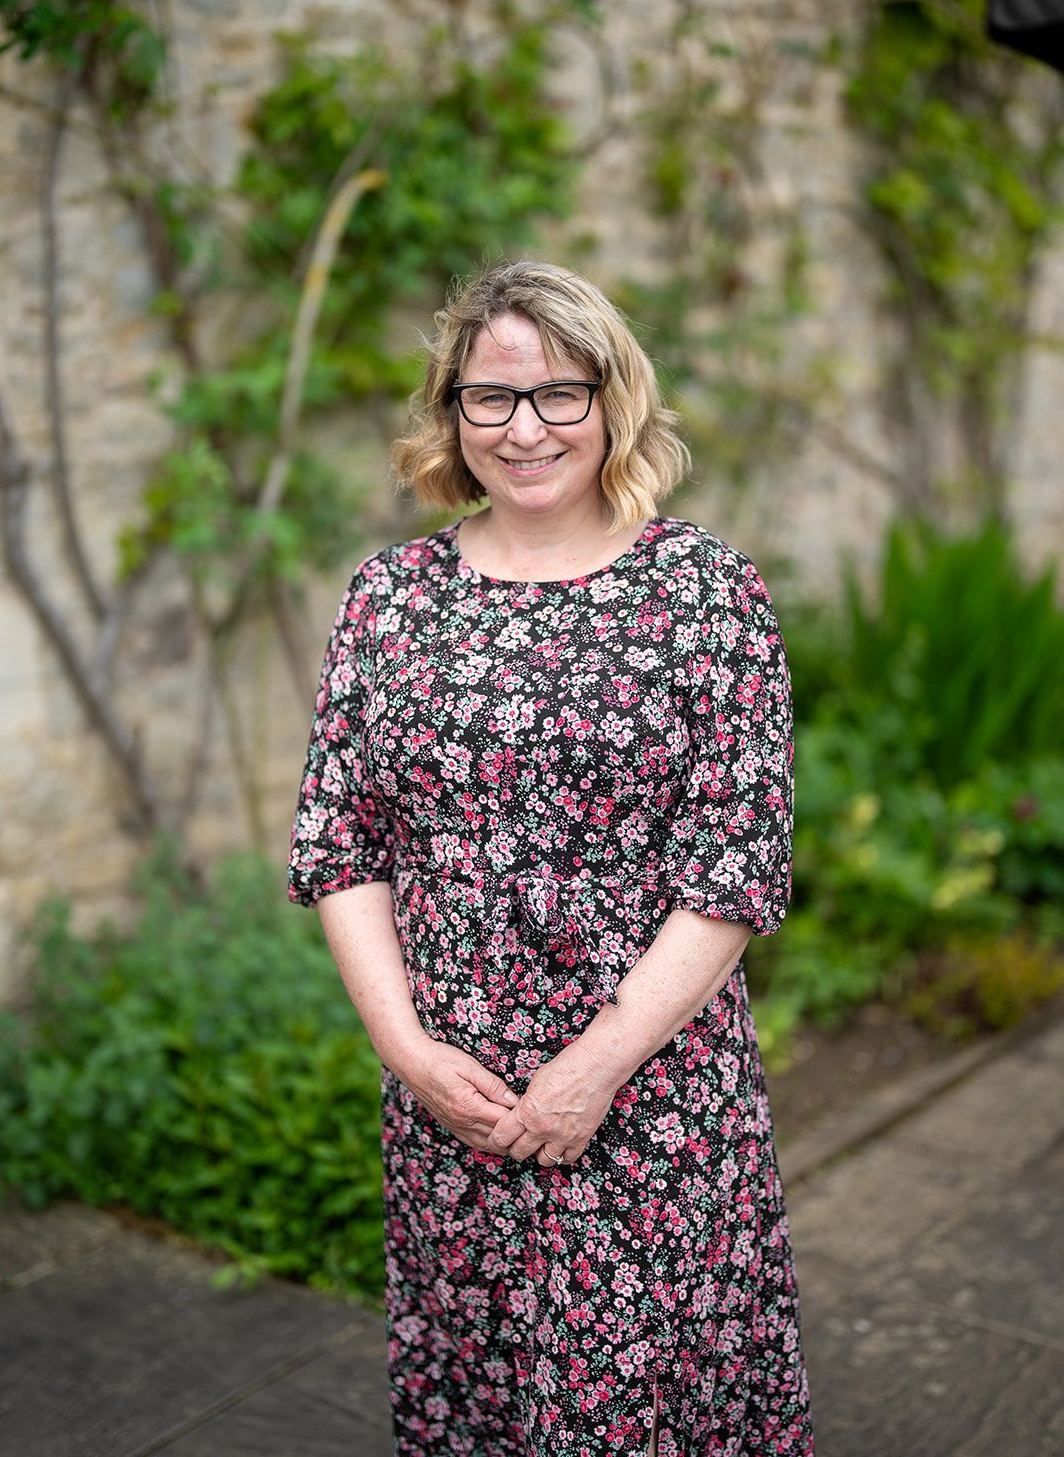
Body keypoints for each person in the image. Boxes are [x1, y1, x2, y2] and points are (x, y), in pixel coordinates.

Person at [287, 259, 814, 1455]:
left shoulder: (703, 593)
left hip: (648, 1099)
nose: (523, 430)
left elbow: (733, 863)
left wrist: (594, 1068)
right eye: (490, 397)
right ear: (452, 411)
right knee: (478, 1400)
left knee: (637, 1413)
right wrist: (407, 1051)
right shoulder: (389, 597)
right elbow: (342, 840)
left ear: (611, 400)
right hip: (452, 1106)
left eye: (557, 394)